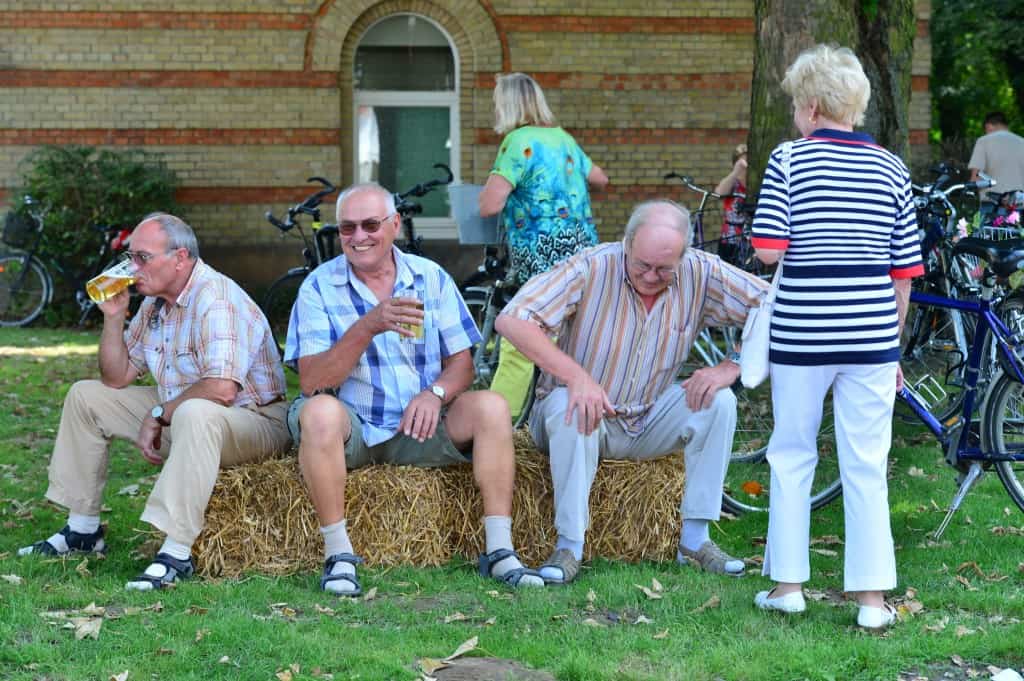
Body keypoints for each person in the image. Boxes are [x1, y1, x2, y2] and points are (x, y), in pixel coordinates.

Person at [285, 182, 544, 596]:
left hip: (420, 426)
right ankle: (338, 556)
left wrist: (435, 394)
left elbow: (461, 365)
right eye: (347, 229)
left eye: (370, 224)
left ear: (394, 225)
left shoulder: (430, 278)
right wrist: (369, 325)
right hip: (352, 432)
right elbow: (313, 381)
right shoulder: (318, 287)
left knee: (492, 406)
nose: (358, 237)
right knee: (317, 412)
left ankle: (499, 552)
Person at [495, 199, 768, 585]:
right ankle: (570, 546)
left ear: (684, 255)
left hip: (648, 415)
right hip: (577, 416)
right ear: (626, 243)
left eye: (664, 269)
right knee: (569, 405)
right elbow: (514, 320)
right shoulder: (590, 266)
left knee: (718, 401)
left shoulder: (701, 272)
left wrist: (732, 366)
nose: (652, 276)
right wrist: (576, 377)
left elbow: (774, 305)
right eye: (642, 265)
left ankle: (694, 540)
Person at [19, 214, 291, 590]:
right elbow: (116, 377)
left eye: (142, 258)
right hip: (185, 413)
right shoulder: (153, 304)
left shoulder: (217, 298)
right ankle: (83, 531)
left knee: (195, 411)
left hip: (253, 420)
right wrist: (113, 318)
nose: (132, 268)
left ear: (180, 258)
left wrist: (161, 412)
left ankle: (177, 552)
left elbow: (223, 389)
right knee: (86, 396)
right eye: (131, 257)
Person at [750, 44, 923, 630]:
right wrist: (891, 344)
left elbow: (769, 249)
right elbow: (905, 272)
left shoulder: (789, 161)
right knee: (867, 464)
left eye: (798, 104)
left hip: (802, 333)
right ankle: (872, 603)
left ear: (814, 105)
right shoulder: (892, 167)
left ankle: (789, 586)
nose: (795, 115)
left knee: (792, 454)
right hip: (872, 334)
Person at [478, 72, 609, 421]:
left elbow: (490, 205)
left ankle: (494, 425)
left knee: (521, 339)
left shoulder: (517, 142)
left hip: (542, 257)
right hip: (583, 252)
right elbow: (600, 178)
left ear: (507, 104)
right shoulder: (562, 139)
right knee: (566, 338)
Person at [968, 111, 1024, 217]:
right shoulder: (1022, 142)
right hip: (1019, 207)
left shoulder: (983, 141)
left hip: (991, 207)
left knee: (987, 233)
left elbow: (975, 179)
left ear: (988, 126)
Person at [715, 143, 748, 266]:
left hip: (750, 242)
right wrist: (735, 173)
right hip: (730, 240)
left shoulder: (757, 183)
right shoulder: (732, 184)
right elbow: (719, 193)